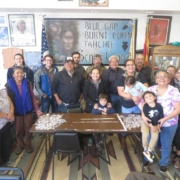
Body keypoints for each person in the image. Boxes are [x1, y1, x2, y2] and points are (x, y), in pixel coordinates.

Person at [142, 70, 180, 173]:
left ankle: (164, 163)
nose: (161, 78)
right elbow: (143, 104)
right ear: (156, 79)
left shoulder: (174, 91)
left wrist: (164, 119)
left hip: (169, 123)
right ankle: (147, 158)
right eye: (159, 76)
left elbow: (178, 109)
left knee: (166, 144)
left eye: (164, 76)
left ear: (169, 79)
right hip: (152, 123)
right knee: (151, 142)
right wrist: (143, 116)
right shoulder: (151, 89)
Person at [6, 66, 42, 155]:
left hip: (28, 110)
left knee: (28, 128)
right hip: (16, 111)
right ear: (13, 74)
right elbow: (8, 100)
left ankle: (28, 144)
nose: (20, 74)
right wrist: (10, 113)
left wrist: (37, 109)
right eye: (17, 73)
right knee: (18, 130)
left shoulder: (27, 82)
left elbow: (32, 97)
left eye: (21, 73)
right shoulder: (9, 85)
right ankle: (20, 145)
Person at [117, 59, 148, 150]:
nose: (131, 66)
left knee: (139, 123)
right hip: (127, 104)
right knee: (126, 123)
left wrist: (139, 96)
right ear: (125, 67)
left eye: (132, 64)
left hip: (139, 104)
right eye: (128, 65)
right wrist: (133, 97)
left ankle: (138, 141)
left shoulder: (140, 75)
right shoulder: (121, 77)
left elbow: (146, 88)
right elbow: (120, 92)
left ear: (134, 66)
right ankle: (123, 140)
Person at [141, 91, 164, 163]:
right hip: (146, 123)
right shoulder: (145, 106)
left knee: (155, 135)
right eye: (146, 97)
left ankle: (149, 150)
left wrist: (158, 126)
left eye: (150, 96)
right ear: (145, 100)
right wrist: (151, 126)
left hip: (155, 124)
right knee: (145, 134)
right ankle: (145, 148)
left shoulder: (159, 106)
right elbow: (146, 118)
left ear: (154, 97)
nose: (148, 98)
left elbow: (161, 116)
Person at [0, 90, 14, 174]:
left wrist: (11, 113)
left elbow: (11, 103)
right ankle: (0, 167)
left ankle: (6, 159)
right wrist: (8, 116)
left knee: (5, 143)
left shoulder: (2, 92)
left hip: (6, 123)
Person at [171, 67, 180, 168]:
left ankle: (178, 157)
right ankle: (173, 153)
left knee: (179, 136)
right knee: (174, 134)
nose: (179, 74)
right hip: (172, 114)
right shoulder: (172, 84)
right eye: (178, 72)